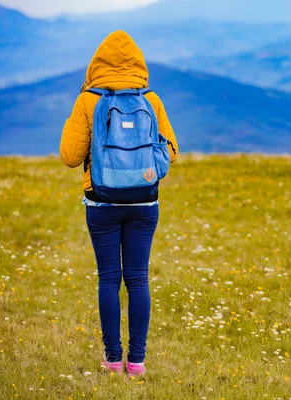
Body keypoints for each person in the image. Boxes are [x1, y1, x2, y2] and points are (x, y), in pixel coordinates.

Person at [59, 30, 178, 376]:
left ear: (97, 64)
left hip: (101, 203)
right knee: (138, 279)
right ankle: (137, 362)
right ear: (139, 63)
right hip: (144, 202)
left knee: (109, 279)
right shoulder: (150, 99)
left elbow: (69, 156)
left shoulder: (89, 100)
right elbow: (171, 150)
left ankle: (113, 361)